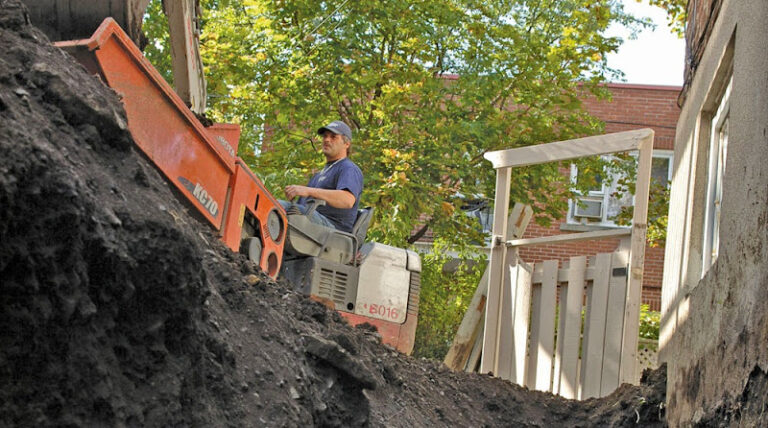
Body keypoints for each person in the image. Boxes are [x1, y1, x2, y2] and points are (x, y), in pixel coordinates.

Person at [282, 120, 363, 233]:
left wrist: (308, 191)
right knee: (273, 205)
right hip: (312, 222)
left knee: (276, 206)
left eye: (333, 137)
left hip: (333, 230)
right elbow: (299, 208)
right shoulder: (319, 175)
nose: (327, 140)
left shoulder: (348, 168)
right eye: (325, 136)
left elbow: (347, 200)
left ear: (346, 144)